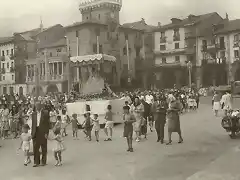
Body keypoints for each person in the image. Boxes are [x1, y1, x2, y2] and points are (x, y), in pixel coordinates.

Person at [31, 102, 50, 167]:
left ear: (41, 106)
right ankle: (36, 162)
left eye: (38, 106)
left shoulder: (45, 113)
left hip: (43, 132)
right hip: (35, 131)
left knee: (44, 147)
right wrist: (32, 133)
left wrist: (47, 133)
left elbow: (47, 124)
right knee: (35, 147)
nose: (37, 107)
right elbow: (33, 124)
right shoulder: (33, 114)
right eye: (36, 106)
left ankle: (43, 161)